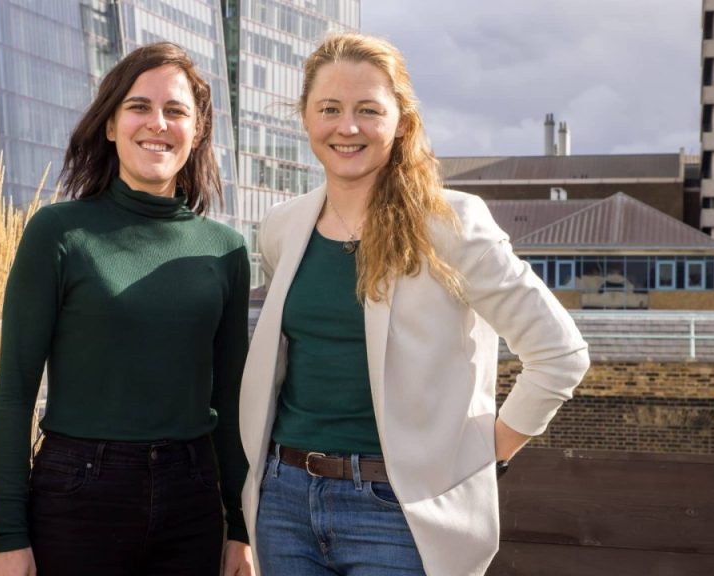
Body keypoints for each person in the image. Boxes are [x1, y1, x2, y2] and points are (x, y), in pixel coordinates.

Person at [238, 33, 590, 576]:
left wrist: (483, 455)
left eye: (368, 110)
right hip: (284, 503)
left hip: (399, 514)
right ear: (306, 118)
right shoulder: (283, 227)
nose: (346, 127)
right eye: (329, 108)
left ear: (402, 121)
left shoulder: (451, 224)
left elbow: (560, 353)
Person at [0, 42, 253, 576]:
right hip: (80, 494)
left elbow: (230, 401)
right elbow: (15, 391)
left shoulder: (226, 250)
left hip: (193, 499)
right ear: (110, 125)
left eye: (176, 110)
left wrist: (241, 529)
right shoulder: (58, 232)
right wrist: (7, 536)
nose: (157, 122)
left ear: (196, 131)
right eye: (139, 106)